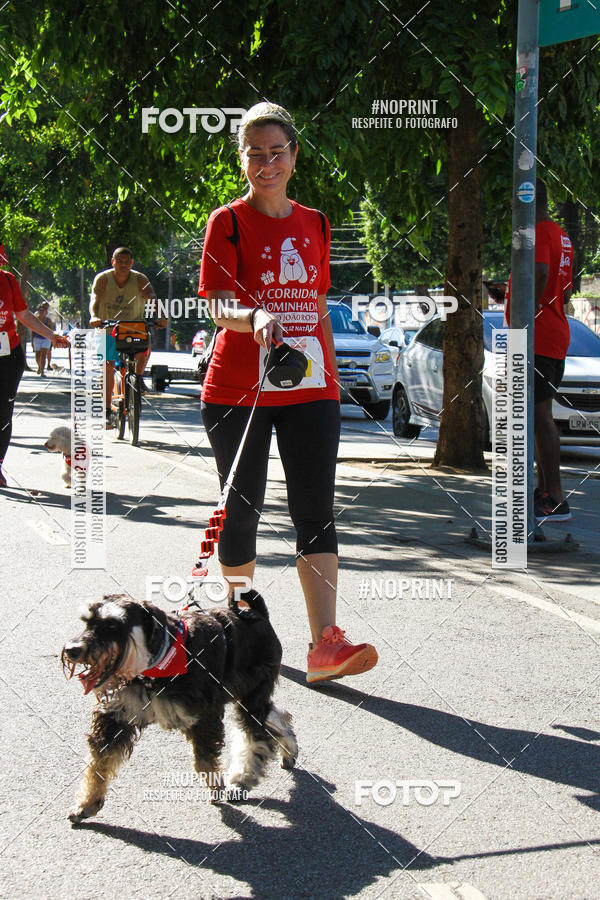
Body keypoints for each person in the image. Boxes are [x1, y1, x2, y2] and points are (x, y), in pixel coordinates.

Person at [198, 100, 378, 684]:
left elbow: (319, 306)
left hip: (309, 391)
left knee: (316, 513)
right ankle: (241, 634)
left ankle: (324, 644)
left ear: (294, 157)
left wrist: (331, 381)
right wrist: (254, 318)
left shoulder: (317, 223)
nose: (266, 162)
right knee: (242, 513)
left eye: (276, 152)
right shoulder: (227, 223)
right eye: (254, 153)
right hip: (237, 391)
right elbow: (218, 305)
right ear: (242, 161)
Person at [506, 179, 573, 522]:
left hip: (539, 335)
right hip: (553, 330)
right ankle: (545, 492)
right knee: (536, 415)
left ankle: (555, 497)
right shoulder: (561, 234)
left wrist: (523, 315)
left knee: (539, 416)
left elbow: (542, 271)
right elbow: (564, 287)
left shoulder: (541, 231)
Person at [0, 270, 69, 487]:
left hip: (7, 356)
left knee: (3, 415)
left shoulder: (9, 280)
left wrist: (52, 336)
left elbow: (23, 314)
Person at [89, 247, 158, 427]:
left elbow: (151, 296)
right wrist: (95, 317)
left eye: (127, 261)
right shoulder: (103, 279)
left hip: (133, 327)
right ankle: (105, 410)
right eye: (120, 261)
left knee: (143, 351)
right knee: (107, 365)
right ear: (113, 262)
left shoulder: (140, 279)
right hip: (107, 328)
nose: (124, 264)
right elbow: (95, 299)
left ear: (132, 263)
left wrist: (160, 316)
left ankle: (139, 379)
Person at [32, 302, 54, 375]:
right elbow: (33, 331)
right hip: (37, 338)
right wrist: (32, 341)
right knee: (38, 355)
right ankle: (39, 366)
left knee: (43, 354)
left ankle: (42, 371)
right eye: (40, 310)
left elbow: (51, 330)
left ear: (45, 311)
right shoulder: (35, 319)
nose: (41, 312)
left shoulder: (48, 320)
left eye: (43, 310)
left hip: (46, 339)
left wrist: (53, 339)